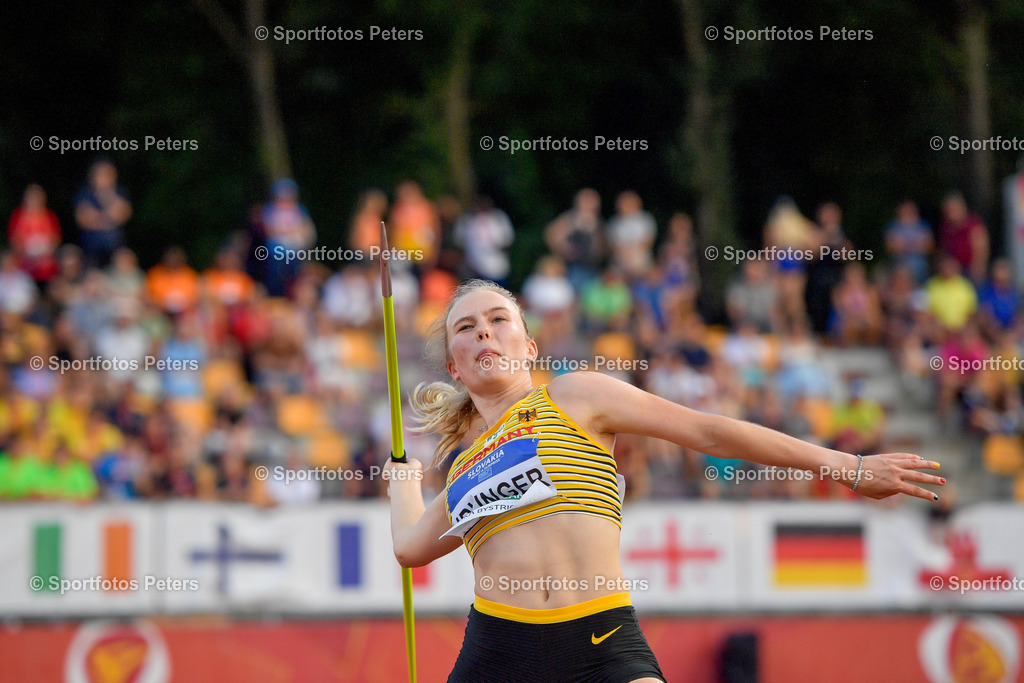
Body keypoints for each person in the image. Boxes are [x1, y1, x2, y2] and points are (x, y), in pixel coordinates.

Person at [384, 279, 946, 683]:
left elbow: (708, 432)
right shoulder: (465, 464)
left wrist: (848, 468)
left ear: (528, 346)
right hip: (499, 648)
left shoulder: (576, 396)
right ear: (454, 367)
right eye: (467, 327)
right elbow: (411, 549)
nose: (484, 332)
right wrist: (403, 482)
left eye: (498, 319)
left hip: (598, 638)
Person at [74, 159, 132, 268]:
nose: (103, 177)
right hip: (91, 248)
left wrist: (107, 195)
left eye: (107, 174)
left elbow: (124, 215)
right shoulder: (84, 193)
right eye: (100, 174)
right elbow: (83, 220)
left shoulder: (119, 192)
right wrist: (109, 217)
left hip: (116, 247)